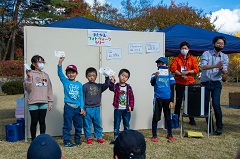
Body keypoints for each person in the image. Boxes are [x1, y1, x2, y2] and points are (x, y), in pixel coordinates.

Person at [200, 36, 229, 135]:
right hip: (205, 83)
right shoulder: (206, 54)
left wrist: (221, 69)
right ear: (213, 44)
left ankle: (219, 127)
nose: (220, 45)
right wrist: (215, 66)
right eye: (218, 43)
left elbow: (225, 71)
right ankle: (210, 126)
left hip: (216, 83)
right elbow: (203, 67)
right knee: (206, 106)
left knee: (216, 104)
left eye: (222, 44)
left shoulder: (224, 56)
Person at [24, 55, 53, 141]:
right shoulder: (30, 74)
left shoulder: (46, 75)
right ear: (33, 63)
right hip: (33, 102)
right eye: (39, 62)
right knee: (34, 121)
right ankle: (34, 140)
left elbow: (49, 89)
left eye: (42, 62)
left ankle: (42, 139)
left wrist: (50, 101)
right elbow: (27, 89)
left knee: (42, 121)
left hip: (44, 102)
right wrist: (29, 78)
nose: (41, 64)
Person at [58, 57, 85, 147]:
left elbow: (81, 97)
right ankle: (67, 141)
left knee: (78, 125)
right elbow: (60, 74)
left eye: (73, 72)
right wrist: (60, 63)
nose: (71, 74)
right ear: (66, 74)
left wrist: (82, 107)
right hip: (68, 107)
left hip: (77, 108)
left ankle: (77, 139)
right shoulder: (65, 81)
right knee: (67, 125)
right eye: (69, 73)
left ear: (76, 73)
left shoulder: (79, 84)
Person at [170, 41, 199, 126]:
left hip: (190, 82)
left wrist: (188, 72)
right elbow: (173, 68)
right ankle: (176, 118)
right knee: (178, 101)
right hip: (180, 82)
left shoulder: (192, 59)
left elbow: (196, 69)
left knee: (190, 101)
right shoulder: (177, 58)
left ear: (188, 49)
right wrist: (181, 74)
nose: (184, 50)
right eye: (182, 48)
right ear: (180, 49)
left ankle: (192, 119)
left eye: (185, 48)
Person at [151, 57, 176, 142]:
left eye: (162, 64)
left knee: (168, 117)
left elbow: (172, 88)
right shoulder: (154, 74)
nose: (160, 65)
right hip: (158, 99)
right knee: (155, 117)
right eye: (159, 64)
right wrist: (155, 77)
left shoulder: (170, 75)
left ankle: (170, 134)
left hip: (167, 99)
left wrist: (172, 101)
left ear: (166, 65)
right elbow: (152, 84)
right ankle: (154, 135)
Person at [83, 67, 110, 144]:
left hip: (96, 108)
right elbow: (82, 97)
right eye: (89, 76)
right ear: (86, 77)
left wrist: (107, 76)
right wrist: (83, 108)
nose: (91, 77)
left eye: (93, 76)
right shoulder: (84, 86)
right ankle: (88, 137)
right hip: (87, 108)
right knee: (87, 124)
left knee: (97, 123)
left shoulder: (99, 86)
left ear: (96, 76)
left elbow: (107, 84)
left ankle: (99, 137)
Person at [109, 69, 134, 143]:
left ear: (127, 78)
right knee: (116, 125)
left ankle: (127, 139)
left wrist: (131, 106)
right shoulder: (116, 86)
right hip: (118, 109)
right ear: (119, 76)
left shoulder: (129, 87)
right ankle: (116, 139)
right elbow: (111, 88)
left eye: (126, 77)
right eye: (122, 75)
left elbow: (132, 98)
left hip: (126, 110)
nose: (123, 78)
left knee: (126, 124)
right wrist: (112, 81)